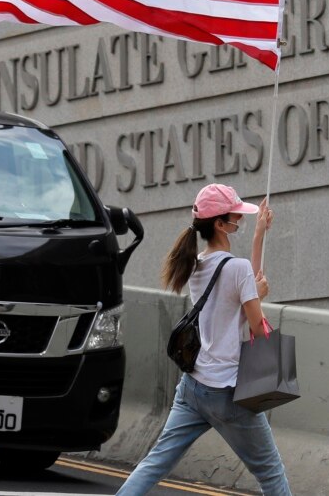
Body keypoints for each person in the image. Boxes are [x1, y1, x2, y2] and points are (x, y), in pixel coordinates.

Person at [117, 183, 291, 496]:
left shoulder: (196, 265)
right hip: (228, 392)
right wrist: (259, 299)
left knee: (155, 463)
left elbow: (237, 284)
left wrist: (258, 236)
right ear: (220, 224)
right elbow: (257, 329)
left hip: (193, 389)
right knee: (271, 473)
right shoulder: (235, 269)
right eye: (236, 215)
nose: (240, 218)